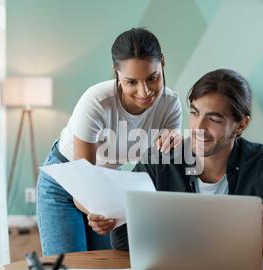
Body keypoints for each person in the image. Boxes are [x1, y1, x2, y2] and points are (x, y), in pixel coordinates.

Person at [89, 69, 263, 265]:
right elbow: (123, 241)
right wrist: (111, 218)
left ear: (241, 125)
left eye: (214, 119)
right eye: (195, 113)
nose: (198, 127)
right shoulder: (160, 160)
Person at [37, 28, 182, 256]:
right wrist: (98, 212)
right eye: (131, 82)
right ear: (116, 73)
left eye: (152, 78)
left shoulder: (170, 105)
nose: (144, 92)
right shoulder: (96, 102)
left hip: (106, 186)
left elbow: (166, 174)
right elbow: (82, 184)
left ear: (162, 63)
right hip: (65, 182)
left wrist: (178, 145)